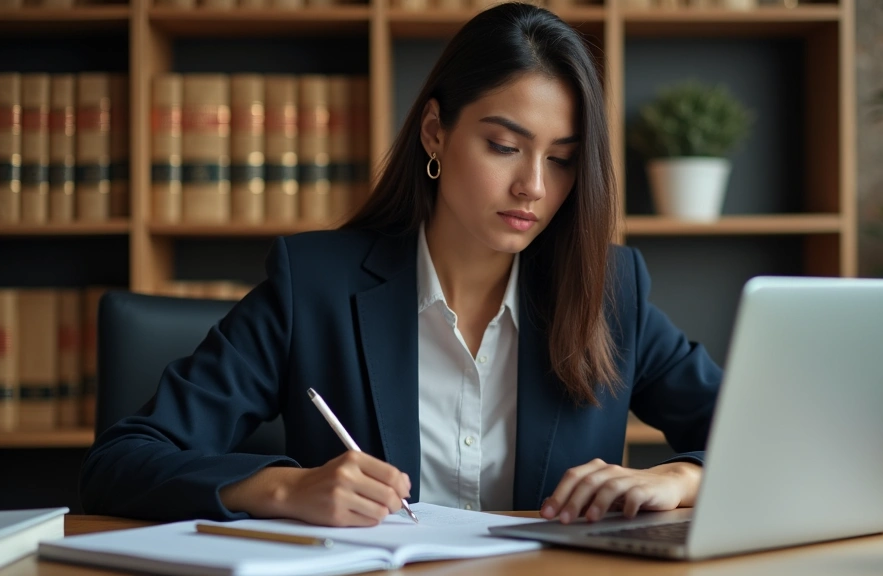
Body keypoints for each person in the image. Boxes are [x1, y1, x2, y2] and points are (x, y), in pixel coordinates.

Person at [80, 1, 722, 528]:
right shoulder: (316, 287)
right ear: (435, 133)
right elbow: (121, 460)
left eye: (560, 159)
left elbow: (771, 439)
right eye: (504, 146)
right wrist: (278, 488)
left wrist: (682, 474)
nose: (533, 185)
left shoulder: (611, 293)